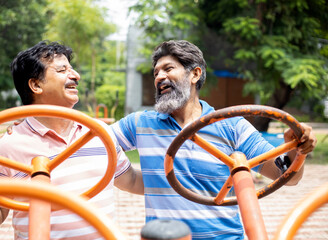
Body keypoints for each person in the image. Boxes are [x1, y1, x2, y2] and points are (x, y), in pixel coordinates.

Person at [110, 40, 317, 239]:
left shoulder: (231, 126)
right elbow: (98, 141)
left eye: (168, 69)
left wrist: (297, 149)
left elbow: (288, 176)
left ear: (195, 74)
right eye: (156, 72)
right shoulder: (140, 123)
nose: (159, 77)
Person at [0, 41, 143, 240]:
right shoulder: (8, 146)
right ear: (36, 85)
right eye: (62, 70)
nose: (76, 75)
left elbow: (130, 180)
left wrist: (179, 174)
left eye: (72, 69)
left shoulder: (99, 134)